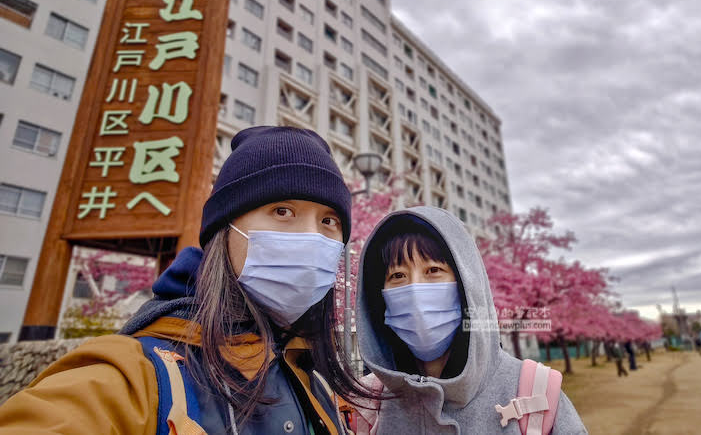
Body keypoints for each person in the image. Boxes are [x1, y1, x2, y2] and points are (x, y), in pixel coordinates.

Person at [0, 126, 370, 434]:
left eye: (328, 221)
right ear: (223, 233)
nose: (311, 237)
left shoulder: (313, 382)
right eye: (282, 211)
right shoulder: (136, 376)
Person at [353, 206, 587, 434]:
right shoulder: (369, 401)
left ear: (468, 286)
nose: (415, 289)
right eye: (398, 275)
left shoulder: (536, 393)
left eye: (433, 270)